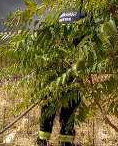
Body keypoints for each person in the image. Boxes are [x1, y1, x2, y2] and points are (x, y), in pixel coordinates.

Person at [37, 10, 86, 146]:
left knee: (48, 107)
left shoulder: (59, 18)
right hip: (70, 75)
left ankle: (42, 140)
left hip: (50, 73)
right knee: (69, 108)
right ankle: (65, 142)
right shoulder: (82, 19)